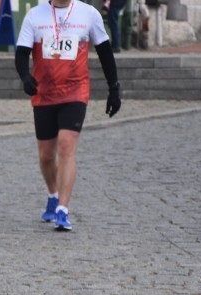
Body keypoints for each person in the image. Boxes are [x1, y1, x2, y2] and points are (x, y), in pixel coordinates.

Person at [15, 0, 122, 231]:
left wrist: (114, 88)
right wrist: (25, 77)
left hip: (75, 91)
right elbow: (21, 54)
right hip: (44, 93)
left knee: (66, 146)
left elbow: (105, 52)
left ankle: (63, 209)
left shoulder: (89, 14)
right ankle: (53, 195)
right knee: (45, 155)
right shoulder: (35, 16)